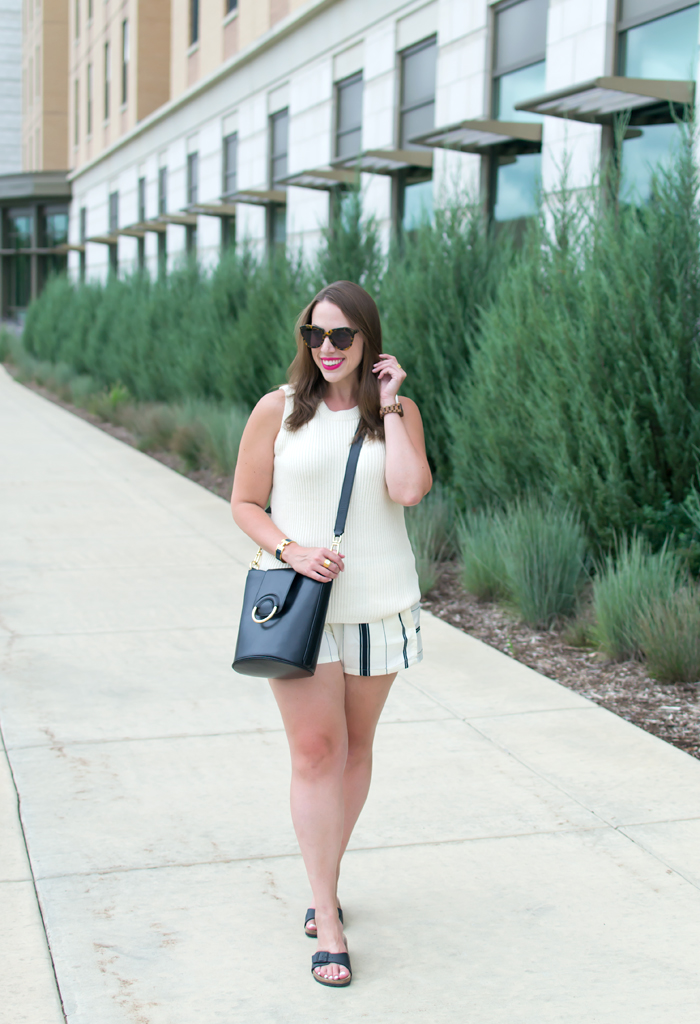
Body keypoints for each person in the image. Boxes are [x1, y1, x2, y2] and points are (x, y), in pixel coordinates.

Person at [230, 280, 432, 987]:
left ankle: (326, 877)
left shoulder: (394, 413)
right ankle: (327, 911)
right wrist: (292, 549)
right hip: (299, 610)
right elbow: (245, 503)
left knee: (356, 751)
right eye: (315, 335)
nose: (326, 348)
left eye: (342, 336)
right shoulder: (278, 412)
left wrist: (395, 401)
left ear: (368, 341)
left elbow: (409, 490)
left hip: (379, 606)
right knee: (317, 752)